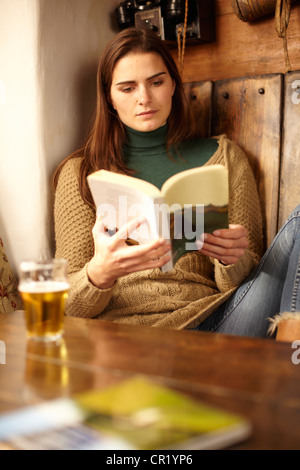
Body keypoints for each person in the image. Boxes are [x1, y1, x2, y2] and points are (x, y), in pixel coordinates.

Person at [54, 27, 300, 337]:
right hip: (122, 335)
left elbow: (246, 279)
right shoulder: (80, 173)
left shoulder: (224, 157)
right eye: (127, 88)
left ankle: (291, 373)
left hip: (215, 324)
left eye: (156, 82)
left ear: (172, 84)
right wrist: (98, 274)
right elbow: (65, 304)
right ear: (109, 98)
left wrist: (231, 260)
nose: (144, 98)